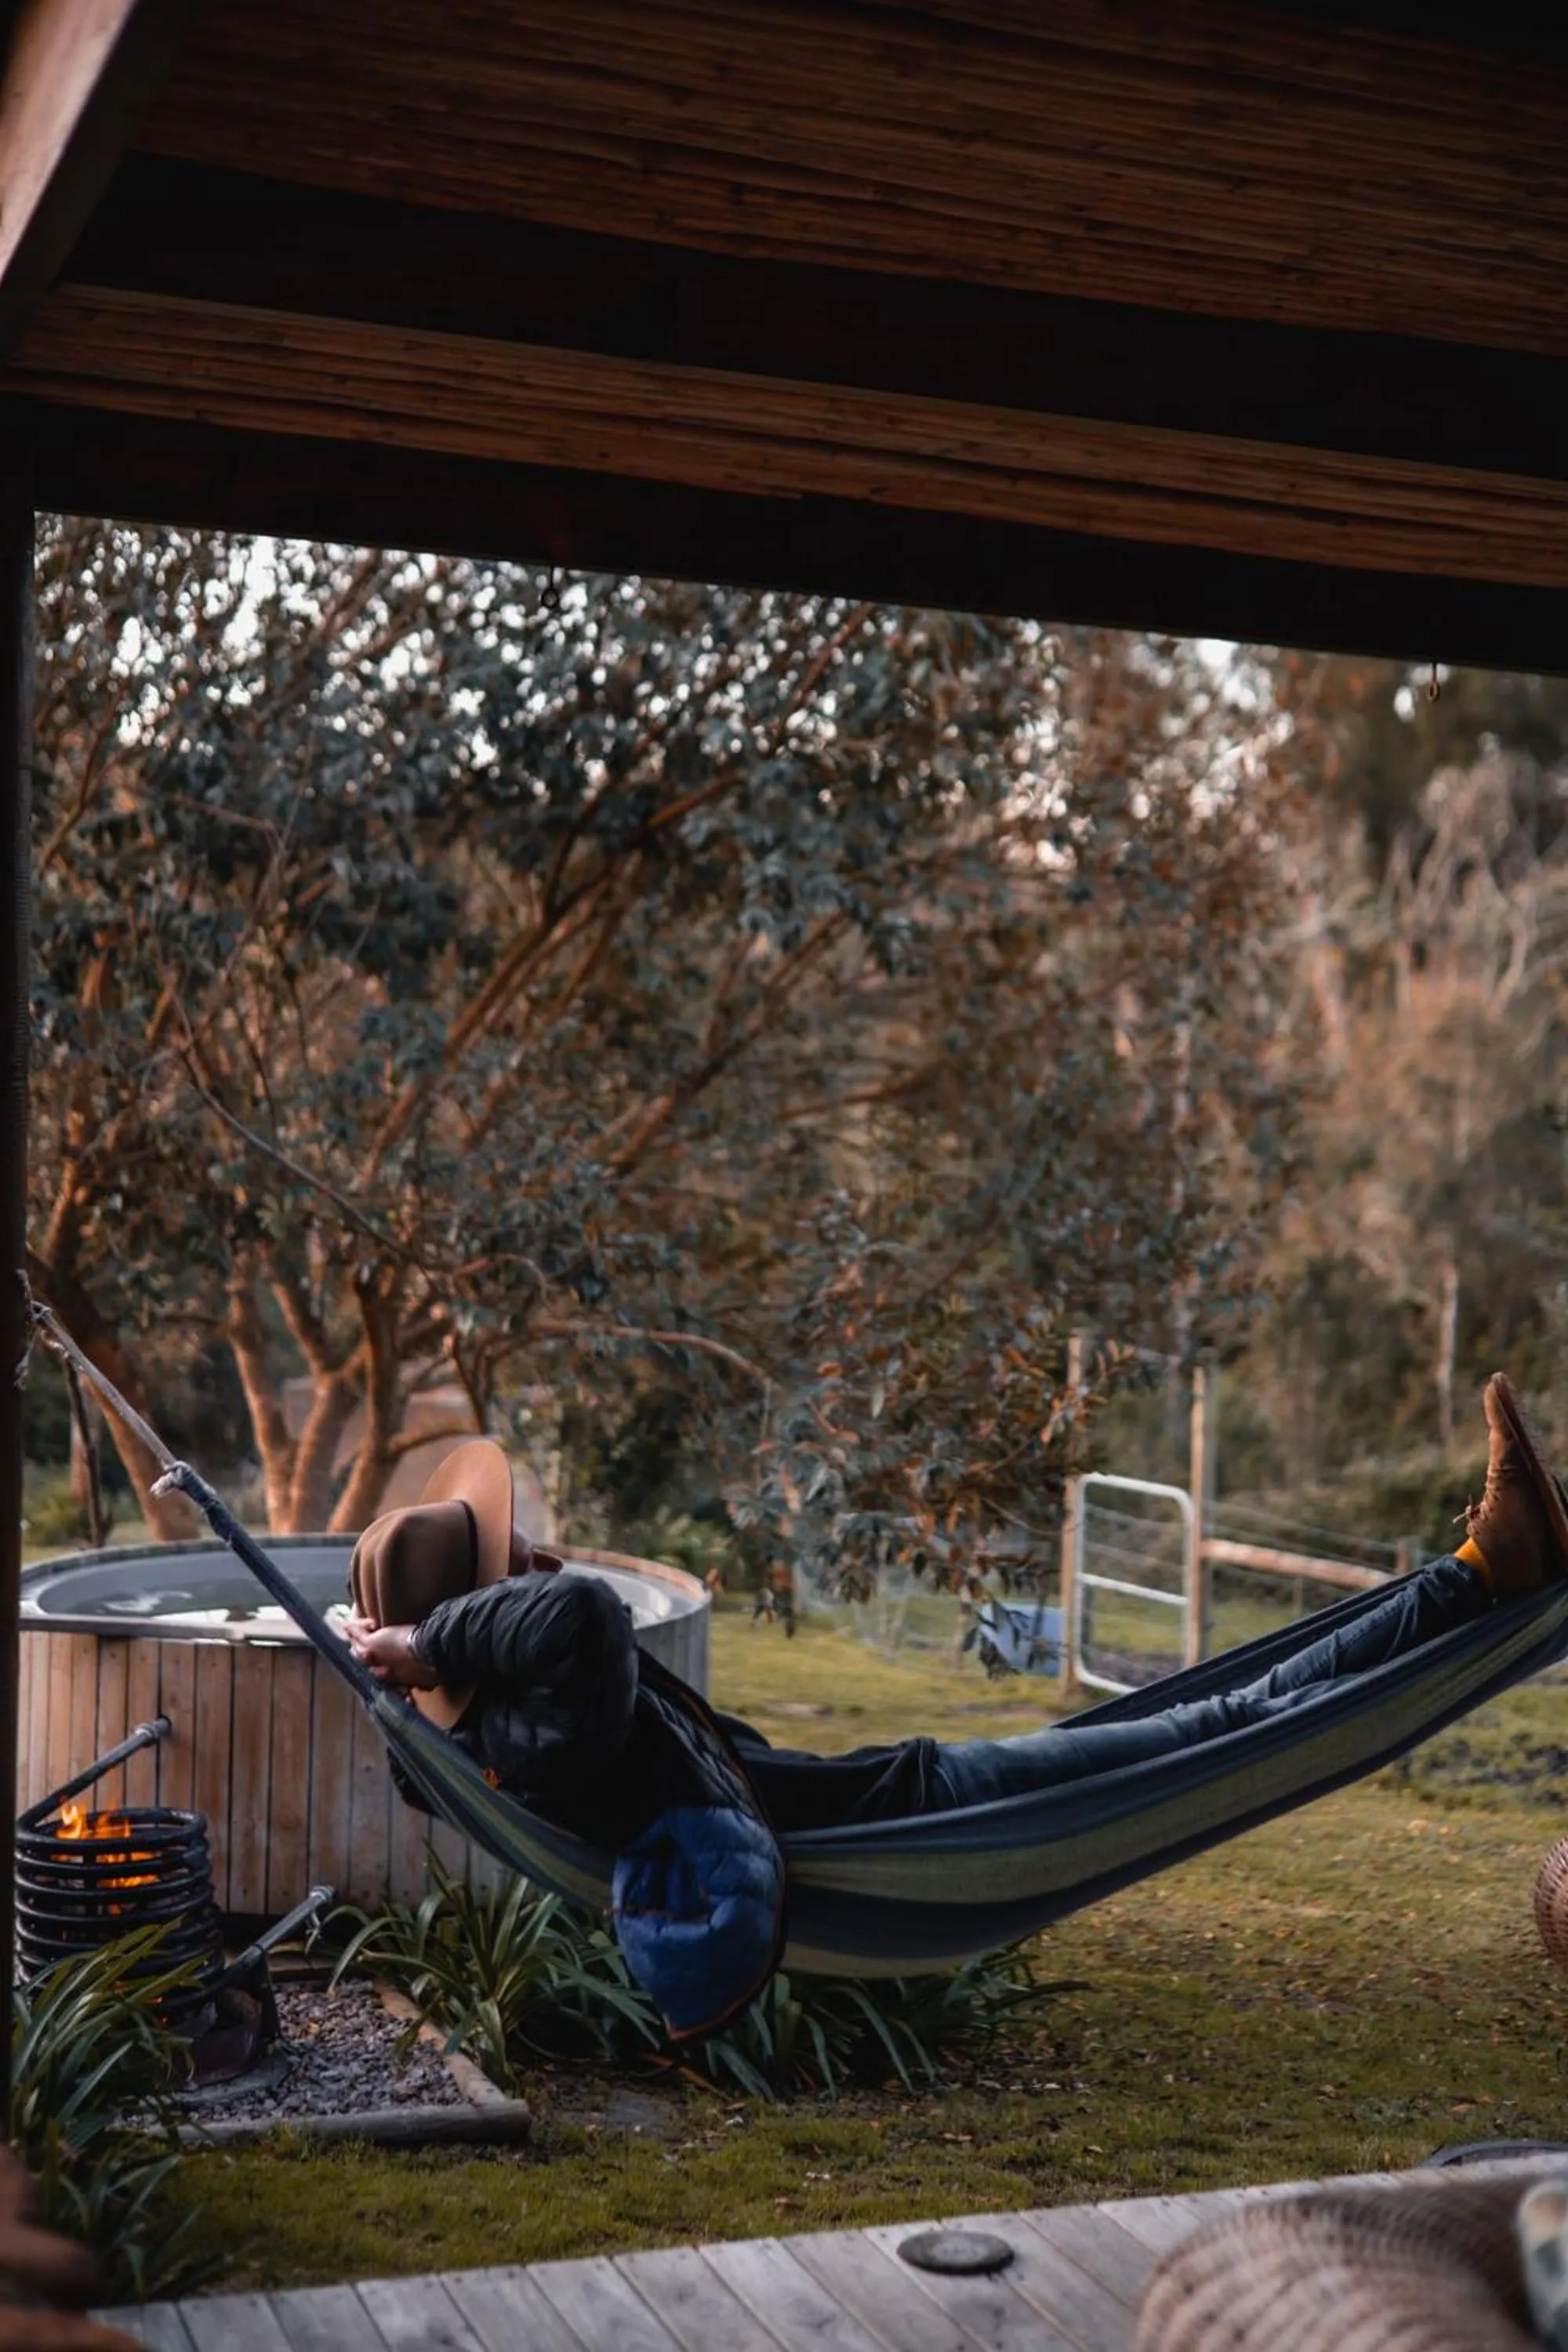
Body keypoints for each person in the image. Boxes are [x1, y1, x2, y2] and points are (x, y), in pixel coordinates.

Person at [344, 1374, 1568, 2038]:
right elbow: (584, 1623)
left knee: (1228, 1703)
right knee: (1227, 1720)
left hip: (916, 1792)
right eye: (512, 1558)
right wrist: (418, 1639)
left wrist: (393, 1666)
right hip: (924, 1813)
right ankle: (1481, 1577)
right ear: (476, 1627)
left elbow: (468, 1710)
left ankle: (1478, 1573)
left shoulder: (497, 1743)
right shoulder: (548, 1735)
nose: (536, 1559)